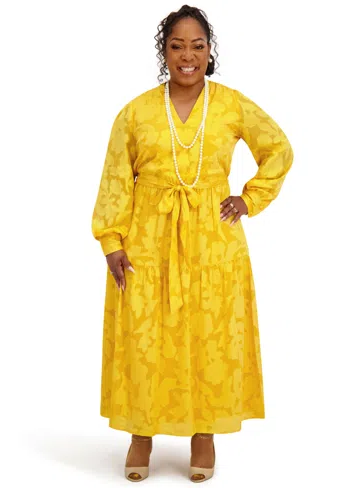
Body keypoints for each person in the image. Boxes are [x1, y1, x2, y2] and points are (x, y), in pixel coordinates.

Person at [91, 4, 294, 483]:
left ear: (209, 51)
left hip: (213, 240)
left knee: (209, 334)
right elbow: (115, 177)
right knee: (145, 335)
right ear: (164, 52)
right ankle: (141, 433)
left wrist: (248, 199)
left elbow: (279, 149)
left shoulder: (232, 104)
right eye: (177, 46)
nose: (188, 56)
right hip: (148, 239)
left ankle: (204, 434)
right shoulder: (136, 112)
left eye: (197, 46)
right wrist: (111, 240)